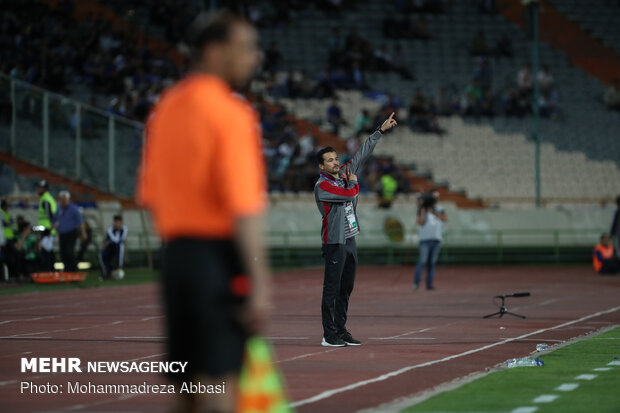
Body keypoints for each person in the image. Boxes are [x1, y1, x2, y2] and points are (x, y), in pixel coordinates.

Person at [137, 11, 270, 413]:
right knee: (218, 383)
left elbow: (151, 195)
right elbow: (244, 207)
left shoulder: (166, 107)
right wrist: (259, 281)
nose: (255, 58)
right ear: (214, 51)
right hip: (218, 258)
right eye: (245, 48)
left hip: (177, 258)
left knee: (185, 385)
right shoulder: (231, 114)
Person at [314, 112, 398, 347]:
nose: (335, 162)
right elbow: (350, 194)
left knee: (346, 287)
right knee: (331, 289)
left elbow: (362, 153)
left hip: (350, 238)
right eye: (329, 160)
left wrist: (379, 131)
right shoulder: (323, 185)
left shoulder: (342, 174)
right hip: (334, 241)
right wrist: (353, 182)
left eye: (335, 158)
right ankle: (328, 334)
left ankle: (340, 330)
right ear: (321, 166)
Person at [414, 190, 447, 290]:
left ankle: (429, 284)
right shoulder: (421, 209)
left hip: (436, 238)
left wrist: (433, 212)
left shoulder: (439, 209)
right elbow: (420, 222)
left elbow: (444, 218)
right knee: (422, 261)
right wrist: (423, 211)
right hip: (424, 239)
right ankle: (416, 284)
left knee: (432, 263)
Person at [54, 191, 86, 272]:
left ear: (68, 199)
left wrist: (83, 233)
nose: (63, 201)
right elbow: (55, 220)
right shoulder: (59, 209)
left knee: (69, 252)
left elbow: (81, 221)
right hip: (62, 234)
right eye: (61, 199)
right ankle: (67, 270)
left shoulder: (73, 209)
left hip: (71, 233)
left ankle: (74, 269)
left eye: (64, 199)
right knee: (63, 253)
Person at [98, 215, 127, 280]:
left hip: (117, 248)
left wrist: (109, 241)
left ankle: (119, 268)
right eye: (116, 223)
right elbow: (115, 240)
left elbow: (121, 240)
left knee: (120, 246)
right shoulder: (110, 229)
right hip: (109, 248)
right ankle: (107, 273)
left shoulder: (124, 229)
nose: (117, 225)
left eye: (119, 223)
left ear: (121, 223)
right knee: (101, 254)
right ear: (114, 223)